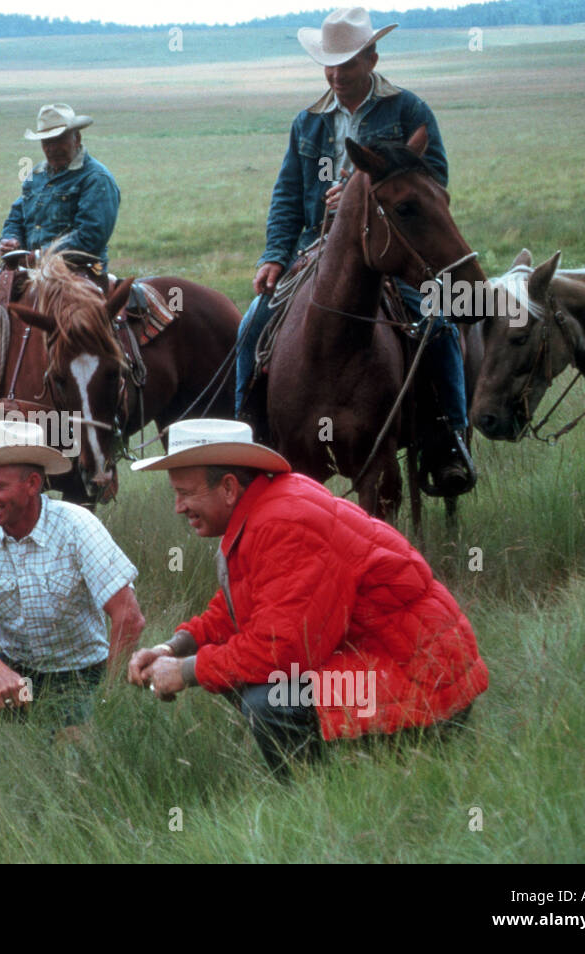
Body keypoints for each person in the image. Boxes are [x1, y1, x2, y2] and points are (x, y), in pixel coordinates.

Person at [128, 419, 489, 777]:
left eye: (186, 493)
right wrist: (171, 649)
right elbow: (239, 608)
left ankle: (316, 793)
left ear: (228, 488)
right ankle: (351, 772)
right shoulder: (266, 509)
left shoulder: (284, 525)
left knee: (270, 700)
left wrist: (187, 671)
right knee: (247, 676)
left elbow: (279, 650)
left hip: (424, 678)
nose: (178, 507)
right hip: (407, 663)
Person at [233, 6, 475, 495]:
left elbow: (432, 187)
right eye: (330, 64)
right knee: (252, 325)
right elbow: (287, 194)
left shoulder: (409, 111)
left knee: (438, 324)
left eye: (347, 64)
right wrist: (274, 256)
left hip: (391, 250)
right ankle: (248, 435)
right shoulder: (309, 122)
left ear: (372, 57)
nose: (337, 75)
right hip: (316, 252)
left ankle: (447, 438)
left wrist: (365, 196)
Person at [0, 420, 145, 733]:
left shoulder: (76, 525)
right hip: (17, 675)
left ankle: (72, 723)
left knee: (68, 751)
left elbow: (129, 617)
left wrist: (106, 700)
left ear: (32, 484)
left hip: (80, 675)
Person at [0, 103, 121, 273]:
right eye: (47, 142)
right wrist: (11, 239)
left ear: (76, 139)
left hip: (78, 272)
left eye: (59, 140)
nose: (52, 149)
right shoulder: (36, 175)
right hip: (30, 270)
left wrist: (40, 256)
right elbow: (16, 217)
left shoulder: (96, 178)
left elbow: (91, 237)